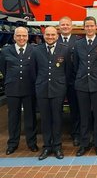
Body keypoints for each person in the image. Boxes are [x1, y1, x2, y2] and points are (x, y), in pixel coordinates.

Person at [31, 26, 70, 160]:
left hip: (58, 89)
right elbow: (33, 71)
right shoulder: (36, 50)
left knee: (57, 118)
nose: (50, 37)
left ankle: (57, 146)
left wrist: (63, 85)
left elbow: (68, 71)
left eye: (53, 35)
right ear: (43, 35)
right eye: (48, 35)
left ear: (57, 36)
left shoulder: (64, 49)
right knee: (45, 119)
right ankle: (47, 147)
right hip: (42, 89)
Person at [73, 16, 97, 157]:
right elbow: (75, 65)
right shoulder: (78, 44)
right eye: (86, 26)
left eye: (91, 26)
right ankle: (84, 144)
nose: (89, 28)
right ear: (84, 27)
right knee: (84, 116)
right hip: (81, 84)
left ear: (95, 27)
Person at [0, 27, 38, 155]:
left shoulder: (34, 50)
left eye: (24, 36)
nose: (21, 38)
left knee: (30, 117)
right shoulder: (6, 51)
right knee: (13, 117)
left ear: (28, 37)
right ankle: (12, 144)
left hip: (29, 88)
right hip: (12, 89)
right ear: (14, 37)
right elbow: (4, 69)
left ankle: (32, 143)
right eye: (19, 36)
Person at [58, 16, 80, 147]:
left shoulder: (77, 42)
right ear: (59, 27)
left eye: (67, 24)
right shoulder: (54, 40)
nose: (65, 27)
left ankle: (76, 134)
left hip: (73, 81)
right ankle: (56, 136)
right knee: (56, 110)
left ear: (72, 26)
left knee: (75, 109)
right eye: (63, 25)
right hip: (58, 82)